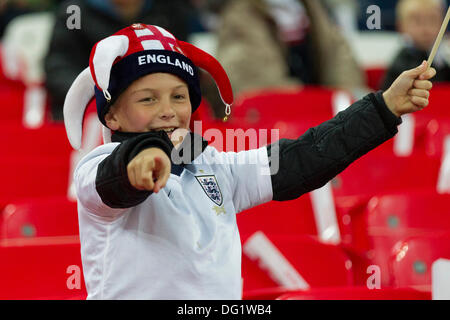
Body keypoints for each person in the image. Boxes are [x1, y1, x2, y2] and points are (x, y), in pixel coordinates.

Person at [63, 23, 436, 299]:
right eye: (147, 99)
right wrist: (144, 158)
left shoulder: (210, 164)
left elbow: (300, 160)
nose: (168, 111)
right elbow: (117, 178)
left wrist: (384, 107)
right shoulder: (96, 167)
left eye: (179, 96)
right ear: (111, 117)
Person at [44, 0, 195, 121]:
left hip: (162, 114)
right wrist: (102, 98)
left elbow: (184, 62)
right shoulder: (74, 11)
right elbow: (58, 67)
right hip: (89, 114)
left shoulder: (171, 8)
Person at [212, 0, 367, 113]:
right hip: (279, 128)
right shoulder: (240, 16)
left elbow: (339, 59)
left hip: (322, 117)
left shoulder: (310, 8)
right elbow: (260, 88)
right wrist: (320, 104)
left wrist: (348, 96)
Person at [382, 0, 450, 90]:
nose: (426, 29)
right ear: (400, 26)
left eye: (433, 20)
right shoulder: (401, 62)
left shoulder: (444, 57)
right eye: (417, 21)